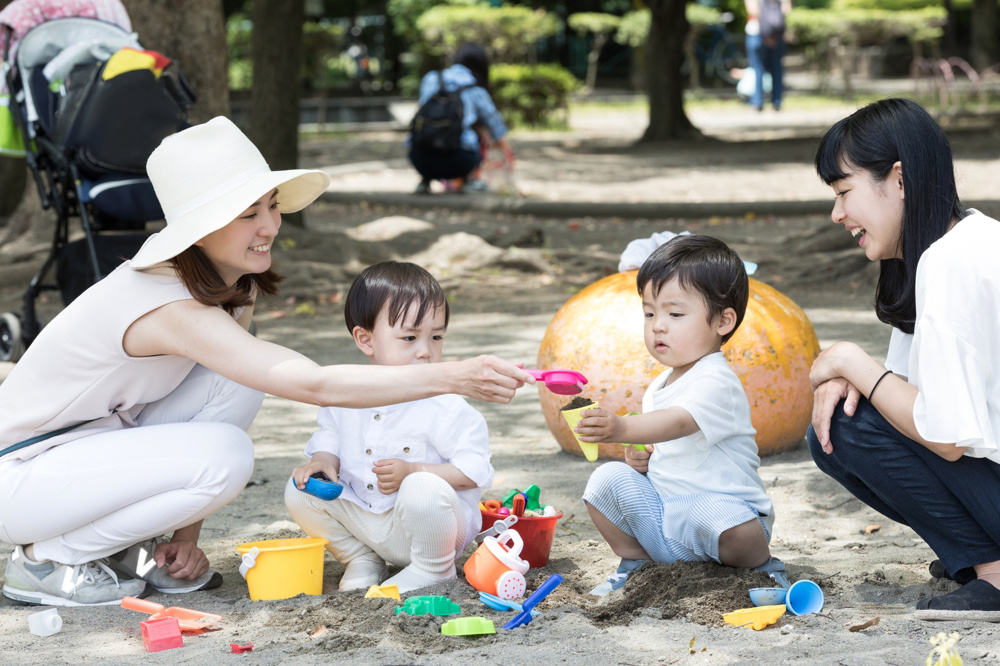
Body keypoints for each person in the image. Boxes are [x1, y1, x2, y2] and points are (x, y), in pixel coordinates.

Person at [0, 117, 531, 607]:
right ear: (199, 229)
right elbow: (315, 384)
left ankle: (130, 552)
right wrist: (453, 374)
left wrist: (186, 538)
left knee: (238, 381)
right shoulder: (162, 304)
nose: (271, 225)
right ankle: (46, 560)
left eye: (271, 205)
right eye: (248, 214)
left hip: (89, 455)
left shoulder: (233, 288)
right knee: (227, 454)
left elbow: (235, 392)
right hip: (22, 476)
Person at [808, 97, 1000, 621]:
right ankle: (978, 555)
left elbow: (946, 436)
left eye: (844, 191)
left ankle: (993, 572)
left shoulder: (952, 262)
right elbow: (908, 395)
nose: (837, 214)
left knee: (845, 428)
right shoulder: (957, 242)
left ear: (898, 179)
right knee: (838, 426)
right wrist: (854, 381)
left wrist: (850, 361)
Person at [574, 235, 779, 596]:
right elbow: (665, 445)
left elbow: (679, 421)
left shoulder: (717, 380)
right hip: (669, 521)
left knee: (713, 515)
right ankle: (637, 562)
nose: (658, 325)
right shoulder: (659, 386)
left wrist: (621, 427)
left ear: (723, 321)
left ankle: (763, 568)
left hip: (726, 519)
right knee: (606, 480)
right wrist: (641, 458)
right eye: (649, 313)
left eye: (675, 314)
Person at [285, 261, 493, 594]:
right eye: (410, 337)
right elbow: (329, 437)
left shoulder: (446, 406)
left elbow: (475, 471)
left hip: (431, 531)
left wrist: (414, 470)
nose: (425, 351)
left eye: (436, 336)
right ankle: (361, 557)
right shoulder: (345, 394)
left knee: (422, 486)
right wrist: (323, 462)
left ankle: (433, 571)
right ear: (365, 340)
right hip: (368, 522)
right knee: (300, 488)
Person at [408, 42, 510, 194]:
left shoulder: (431, 78)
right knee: (475, 131)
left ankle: (425, 180)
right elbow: (496, 127)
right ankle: (468, 180)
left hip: (419, 159)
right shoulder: (475, 88)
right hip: (461, 162)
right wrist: (507, 158)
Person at [744, 0, 791, 112]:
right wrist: (773, 29)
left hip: (756, 32)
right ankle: (777, 101)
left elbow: (752, 10)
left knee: (757, 68)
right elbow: (786, 10)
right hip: (777, 34)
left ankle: (757, 101)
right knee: (777, 68)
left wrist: (766, 30)